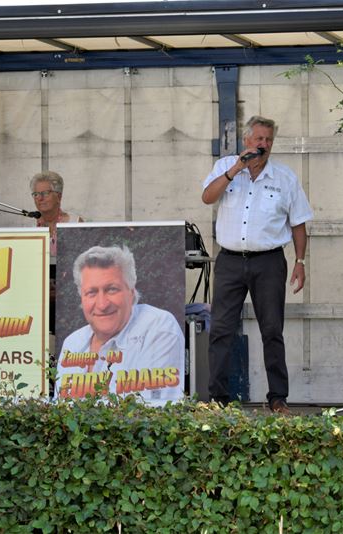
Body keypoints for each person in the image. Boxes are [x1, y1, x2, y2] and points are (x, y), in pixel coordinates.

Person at [201, 115, 313, 414]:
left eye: (269, 140)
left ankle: (278, 397)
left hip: (269, 262)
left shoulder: (285, 177)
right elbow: (207, 197)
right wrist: (235, 169)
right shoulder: (225, 166)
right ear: (246, 140)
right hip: (230, 260)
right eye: (259, 139)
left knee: (272, 330)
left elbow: (299, 223)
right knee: (222, 329)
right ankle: (219, 399)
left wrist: (300, 261)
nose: (264, 145)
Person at [55, 245, 185, 406]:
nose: (102, 304)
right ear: (81, 297)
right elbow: (60, 412)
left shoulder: (159, 329)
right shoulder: (73, 343)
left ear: (131, 292)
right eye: (92, 292)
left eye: (111, 289)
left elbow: (152, 413)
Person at [30, 171, 84, 259]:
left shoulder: (74, 223)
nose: (40, 198)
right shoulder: (32, 230)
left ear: (59, 196)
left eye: (45, 193)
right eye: (36, 194)